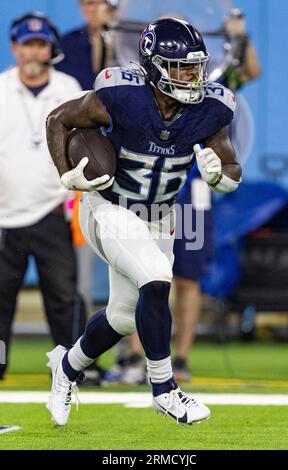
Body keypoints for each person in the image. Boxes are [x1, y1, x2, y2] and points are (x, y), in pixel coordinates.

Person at [46, 18, 242, 426]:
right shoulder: (121, 95)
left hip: (160, 215)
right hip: (109, 207)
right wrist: (67, 173)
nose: (193, 75)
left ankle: (66, 368)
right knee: (156, 277)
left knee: (121, 316)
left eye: (197, 66)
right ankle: (164, 389)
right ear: (154, 66)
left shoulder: (211, 107)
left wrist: (219, 176)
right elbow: (58, 120)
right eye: (182, 66)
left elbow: (231, 167)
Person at [172, 7, 261, 382]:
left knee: (187, 276)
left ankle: (181, 357)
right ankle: (137, 357)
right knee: (143, 275)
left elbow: (250, 71)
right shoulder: (142, 81)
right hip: (149, 188)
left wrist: (241, 36)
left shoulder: (214, 84)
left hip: (191, 190)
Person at [0, 12, 86, 379]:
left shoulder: (69, 88)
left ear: (50, 48)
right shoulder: (1, 89)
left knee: (64, 298)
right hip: (4, 215)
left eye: (40, 44)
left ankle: (75, 370)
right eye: (27, 44)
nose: (33, 52)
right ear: (14, 48)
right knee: (0, 302)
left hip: (54, 210)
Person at [56, 0, 120, 90]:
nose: (97, 9)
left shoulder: (129, 42)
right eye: (90, 3)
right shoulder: (67, 44)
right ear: (81, 7)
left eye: (103, 2)